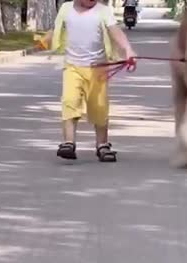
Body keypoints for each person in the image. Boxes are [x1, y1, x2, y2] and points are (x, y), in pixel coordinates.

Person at [50, 0, 137, 162]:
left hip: (98, 68)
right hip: (72, 66)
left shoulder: (103, 11)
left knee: (99, 106)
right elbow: (57, 28)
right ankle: (68, 143)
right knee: (70, 101)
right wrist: (47, 40)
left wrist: (128, 49)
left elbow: (116, 32)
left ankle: (102, 145)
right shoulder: (66, 8)